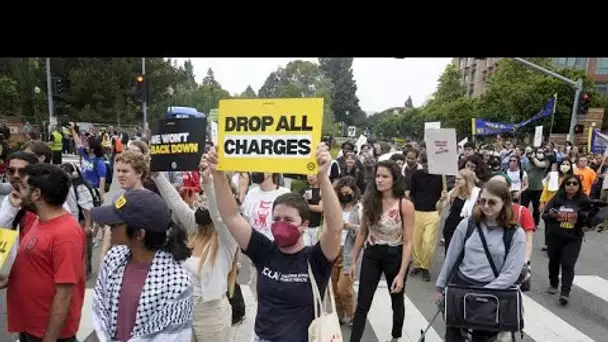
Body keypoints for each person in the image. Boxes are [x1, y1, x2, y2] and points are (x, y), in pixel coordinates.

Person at [206, 144, 343, 342]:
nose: (280, 225)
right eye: (276, 218)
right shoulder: (265, 251)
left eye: (288, 220)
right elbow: (231, 216)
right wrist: (218, 174)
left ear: (304, 225)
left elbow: (335, 227)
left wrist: (322, 178)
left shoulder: (316, 258)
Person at [90, 189, 193, 342]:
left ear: (139, 234)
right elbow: (101, 314)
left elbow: (169, 336)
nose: (108, 226)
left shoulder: (177, 283)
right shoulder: (113, 259)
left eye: (115, 224)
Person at [152, 163, 238, 341]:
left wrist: (208, 182)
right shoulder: (195, 228)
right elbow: (176, 203)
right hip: (183, 309)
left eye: (209, 199)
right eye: (204, 197)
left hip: (211, 315)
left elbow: (219, 216)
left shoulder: (227, 237)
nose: (203, 203)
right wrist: (157, 175)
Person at [2, 163, 85, 342]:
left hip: (48, 333)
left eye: (24, 187)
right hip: (31, 326)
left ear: (37, 194)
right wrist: (11, 279)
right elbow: (41, 266)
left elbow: (64, 295)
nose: (17, 191)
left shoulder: (66, 234)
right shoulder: (41, 220)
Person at [435, 179, 526, 342]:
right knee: (453, 337)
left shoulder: (515, 233)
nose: (486, 206)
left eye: (492, 202)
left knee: (483, 338)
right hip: (461, 288)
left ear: (504, 203)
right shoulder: (467, 224)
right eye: (482, 201)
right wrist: (440, 287)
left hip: (492, 294)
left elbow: (511, 272)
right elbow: (451, 258)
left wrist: (484, 293)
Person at [349, 160, 414, 342]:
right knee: (363, 303)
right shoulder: (369, 202)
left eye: (385, 176)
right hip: (372, 254)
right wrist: (353, 260)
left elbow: (408, 242)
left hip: (395, 255)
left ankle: (395, 336)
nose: (379, 180)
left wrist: (401, 274)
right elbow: (362, 232)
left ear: (394, 179)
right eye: (377, 176)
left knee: (396, 300)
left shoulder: (405, 205)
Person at [542, 174, 590, 306]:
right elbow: (544, 215)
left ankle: (565, 292)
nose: (571, 186)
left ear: (579, 186)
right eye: (568, 183)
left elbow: (591, 216)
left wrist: (587, 225)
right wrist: (551, 215)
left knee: (568, 264)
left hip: (573, 238)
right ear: (564, 186)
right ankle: (553, 283)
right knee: (554, 261)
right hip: (555, 237)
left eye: (575, 184)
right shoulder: (556, 198)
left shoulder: (584, 200)